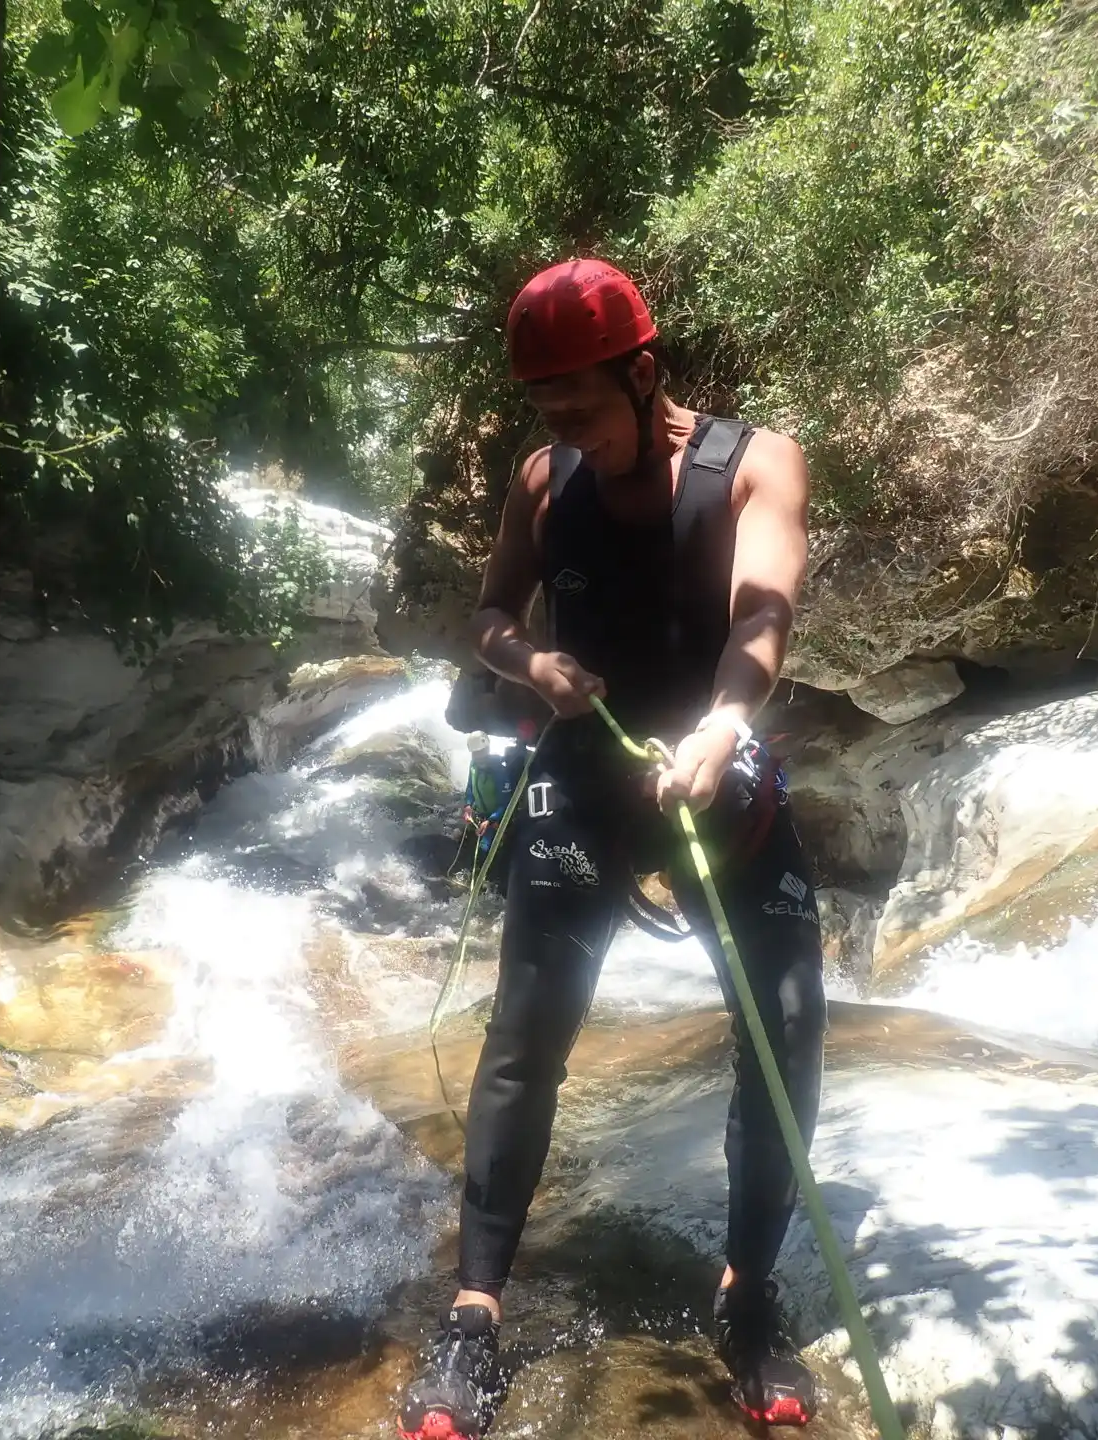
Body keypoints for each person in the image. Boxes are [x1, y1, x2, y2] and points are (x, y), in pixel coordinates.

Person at [395, 259, 828, 1440]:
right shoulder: (545, 481)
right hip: (584, 781)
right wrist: (529, 662)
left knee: (786, 1030)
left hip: (716, 772)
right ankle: (474, 1314)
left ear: (642, 374)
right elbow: (490, 617)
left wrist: (725, 725)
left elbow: (763, 611)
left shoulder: (757, 466)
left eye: (580, 402)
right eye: (545, 406)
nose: (564, 426)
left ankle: (748, 1294)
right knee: (525, 1037)